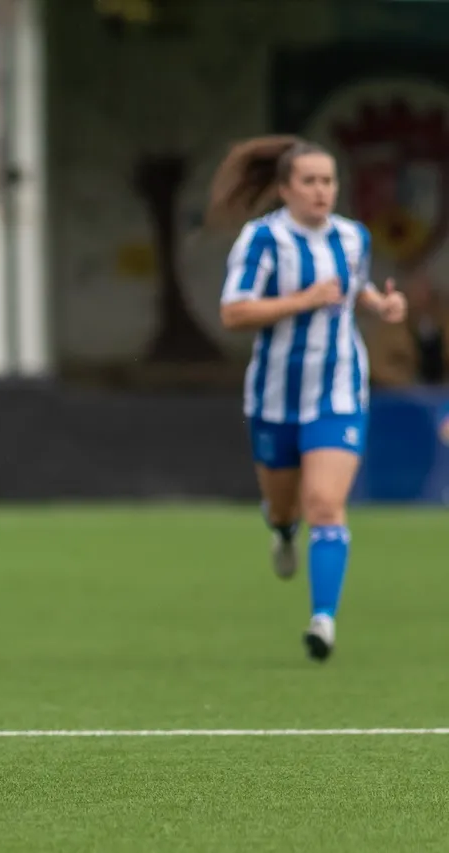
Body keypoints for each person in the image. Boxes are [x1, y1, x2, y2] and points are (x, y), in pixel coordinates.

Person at [209, 135, 407, 661]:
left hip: (339, 389)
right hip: (275, 395)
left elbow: (353, 288)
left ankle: (323, 621)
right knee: (283, 505)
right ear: (284, 189)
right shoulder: (261, 241)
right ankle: (280, 529)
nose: (321, 192)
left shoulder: (352, 237)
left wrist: (381, 305)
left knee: (325, 504)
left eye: (328, 181)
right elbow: (233, 313)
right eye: (310, 182)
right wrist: (303, 300)